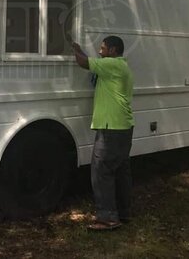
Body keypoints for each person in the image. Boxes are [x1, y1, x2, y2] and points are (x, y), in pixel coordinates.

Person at [70, 35, 134, 231]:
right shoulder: (120, 66)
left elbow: (83, 62)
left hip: (112, 128)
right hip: (123, 127)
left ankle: (107, 218)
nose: (100, 50)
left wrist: (74, 48)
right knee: (120, 172)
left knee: (102, 172)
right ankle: (123, 213)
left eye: (103, 48)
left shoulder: (112, 65)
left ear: (113, 51)